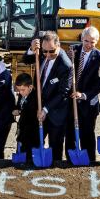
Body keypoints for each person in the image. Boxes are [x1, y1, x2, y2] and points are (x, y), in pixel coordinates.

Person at [23, 32, 73, 162]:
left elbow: (63, 93)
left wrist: (45, 109)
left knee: (55, 145)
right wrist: (31, 48)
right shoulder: (42, 51)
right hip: (38, 106)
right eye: (45, 52)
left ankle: (54, 172)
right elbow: (26, 59)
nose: (48, 55)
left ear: (58, 45)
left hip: (56, 111)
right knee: (34, 141)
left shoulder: (66, 65)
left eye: (52, 52)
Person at [67, 26, 100, 161]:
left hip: (88, 104)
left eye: (92, 42)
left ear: (97, 41)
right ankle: (70, 161)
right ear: (82, 39)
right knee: (70, 134)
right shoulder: (73, 50)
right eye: (86, 41)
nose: (89, 45)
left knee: (87, 135)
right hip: (70, 102)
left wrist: (83, 95)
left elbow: (99, 85)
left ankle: (89, 162)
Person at [14, 72, 39, 162]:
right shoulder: (22, 94)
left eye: (23, 90)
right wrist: (16, 109)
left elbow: (31, 112)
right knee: (21, 149)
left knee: (29, 154)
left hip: (32, 132)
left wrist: (19, 111)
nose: (20, 92)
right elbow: (19, 105)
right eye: (19, 90)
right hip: (23, 129)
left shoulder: (36, 97)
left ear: (30, 87)